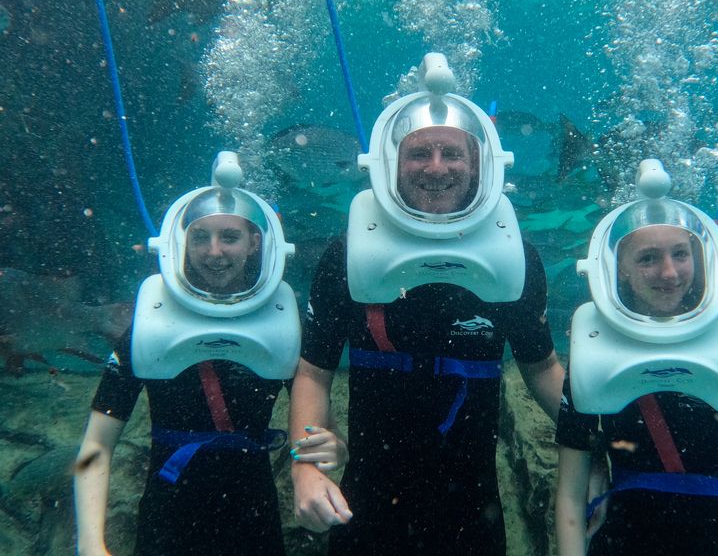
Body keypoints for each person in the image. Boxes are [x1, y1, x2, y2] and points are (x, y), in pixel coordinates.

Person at [288, 54, 565, 555]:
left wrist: (604, 442)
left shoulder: (514, 258)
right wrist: (305, 467)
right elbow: (313, 374)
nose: (436, 167)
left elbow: (543, 370)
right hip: (367, 503)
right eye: (419, 153)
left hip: (471, 508)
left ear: (479, 164)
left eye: (452, 153)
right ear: (392, 163)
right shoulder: (349, 254)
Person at [73, 152, 340, 556]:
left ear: (255, 243)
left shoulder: (281, 323)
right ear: (182, 242)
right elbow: (96, 447)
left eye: (228, 237)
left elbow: (325, 435)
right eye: (200, 237)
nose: (213, 251)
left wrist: (332, 450)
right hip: (168, 519)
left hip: (254, 521)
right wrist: (91, 542)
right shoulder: (151, 323)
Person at [555, 160, 718, 556]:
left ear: (700, 257)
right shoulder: (595, 347)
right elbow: (569, 501)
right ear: (619, 269)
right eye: (647, 258)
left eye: (681, 253)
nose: (669, 272)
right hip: (621, 540)